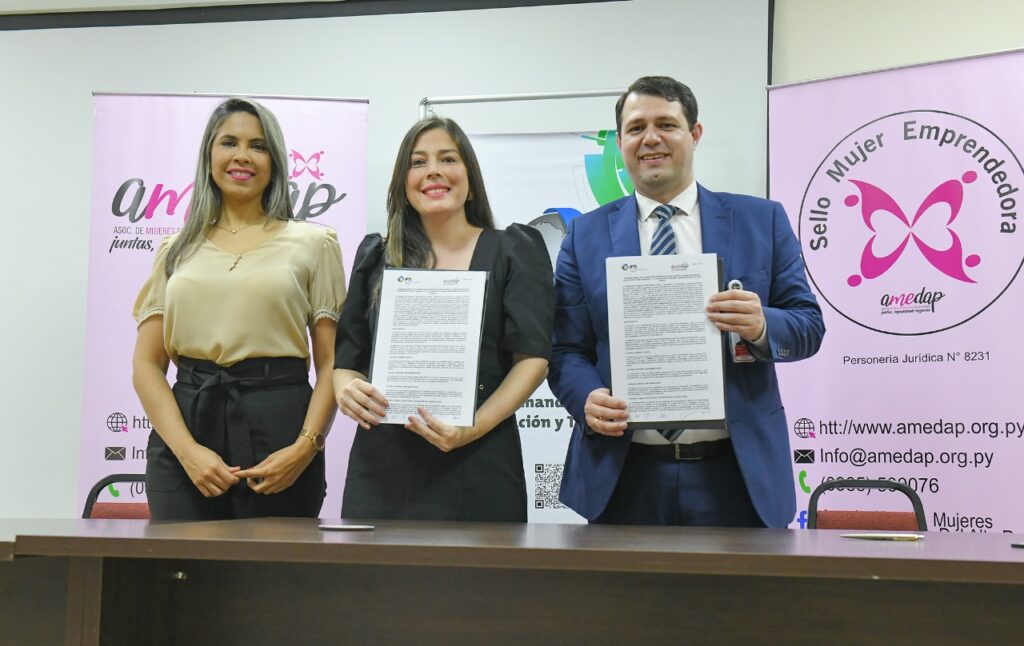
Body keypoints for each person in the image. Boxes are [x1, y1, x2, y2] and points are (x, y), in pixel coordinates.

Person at [549, 76, 825, 528]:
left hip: (737, 474)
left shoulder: (761, 220)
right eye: (636, 128)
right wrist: (586, 397)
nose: (650, 138)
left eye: (666, 125)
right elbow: (564, 349)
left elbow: (808, 326)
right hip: (623, 474)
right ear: (619, 142)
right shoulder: (585, 235)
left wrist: (761, 325)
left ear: (694, 134)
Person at [132, 97, 345, 520]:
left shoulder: (314, 244)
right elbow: (146, 365)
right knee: (179, 563)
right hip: (187, 429)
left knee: (273, 563)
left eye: (258, 146)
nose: (242, 156)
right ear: (209, 155)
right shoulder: (175, 250)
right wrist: (187, 451)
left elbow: (332, 364)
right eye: (229, 142)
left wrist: (305, 448)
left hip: (281, 430)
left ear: (275, 161)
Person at [334, 116, 553, 522]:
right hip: (383, 467)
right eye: (418, 162)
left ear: (470, 177)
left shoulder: (514, 250)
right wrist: (346, 390)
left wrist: (472, 428)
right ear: (403, 183)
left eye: (448, 159)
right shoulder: (376, 256)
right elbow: (346, 362)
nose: (433, 171)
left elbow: (533, 359)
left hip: (482, 459)